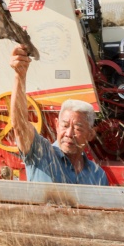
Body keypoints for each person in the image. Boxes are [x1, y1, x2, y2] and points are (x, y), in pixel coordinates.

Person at [10, 45, 109, 185]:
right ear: (56, 125)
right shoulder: (41, 153)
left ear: (90, 135)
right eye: (65, 125)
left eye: (78, 128)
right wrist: (19, 76)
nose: (69, 133)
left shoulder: (98, 176)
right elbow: (19, 125)